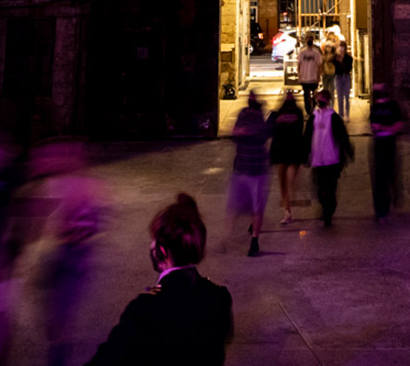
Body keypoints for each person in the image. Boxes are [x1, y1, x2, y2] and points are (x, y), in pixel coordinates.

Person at [83, 194, 233, 366]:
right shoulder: (220, 297)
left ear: (161, 251)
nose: (151, 245)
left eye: (154, 240)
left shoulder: (144, 309)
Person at [32, 139, 106, 366]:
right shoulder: (59, 183)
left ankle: (58, 355)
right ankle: (58, 348)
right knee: (55, 316)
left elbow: (90, 224)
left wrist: (67, 228)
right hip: (59, 254)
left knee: (59, 319)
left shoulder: (85, 185)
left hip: (72, 255)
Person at [226, 90, 271, 257]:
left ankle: (253, 240)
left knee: (254, 207)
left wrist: (244, 132)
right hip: (245, 168)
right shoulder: (245, 114)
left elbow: (260, 134)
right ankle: (234, 237)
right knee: (241, 205)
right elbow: (235, 133)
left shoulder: (259, 118)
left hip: (254, 169)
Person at [303, 89, 354, 228]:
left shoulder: (334, 117)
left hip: (331, 160)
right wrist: (305, 154)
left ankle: (328, 212)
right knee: (320, 189)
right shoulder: (313, 117)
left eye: (322, 99)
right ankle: (326, 208)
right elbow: (307, 136)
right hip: (318, 160)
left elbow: (342, 136)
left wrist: (347, 152)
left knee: (330, 189)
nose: (319, 101)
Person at [267, 92, 307, 226]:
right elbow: (301, 130)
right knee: (288, 181)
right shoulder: (298, 112)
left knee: (283, 184)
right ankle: (291, 196)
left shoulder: (278, 113)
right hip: (294, 151)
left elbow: (271, 130)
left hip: (281, 152)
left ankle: (287, 211)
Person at [367, 82, 406, 219]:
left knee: (389, 174)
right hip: (379, 143)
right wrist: (385, 128)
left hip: (389, 143)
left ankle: (389, 202)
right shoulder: (375, 106)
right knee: (380, 176)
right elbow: (373, 125)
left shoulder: (393, 106)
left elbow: (398, 124)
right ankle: (380, 207)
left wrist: (383, 128)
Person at [295, 35, 323, 116]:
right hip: (313, 77)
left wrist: (299, 74)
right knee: (314, 94)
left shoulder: (302, 52)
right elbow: (319, 65)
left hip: (305, 77)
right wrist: (319, 75)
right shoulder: (316, 53)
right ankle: (312, 109)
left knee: (306, 94)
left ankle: (308, 110)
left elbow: (299, 65)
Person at [329, 42, 354, 114]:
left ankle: (347, 113)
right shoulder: (336, 57)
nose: (341, 48)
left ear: (345, 48)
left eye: (342, 46)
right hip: (338, 77)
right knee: (340, 97)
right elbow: (330, 60)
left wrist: (341, 62)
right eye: (340, 46)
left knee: (347, 97)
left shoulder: (348, 58)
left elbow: (348, 69)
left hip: (346, 77)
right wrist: (336, 54)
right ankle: (341, 114)